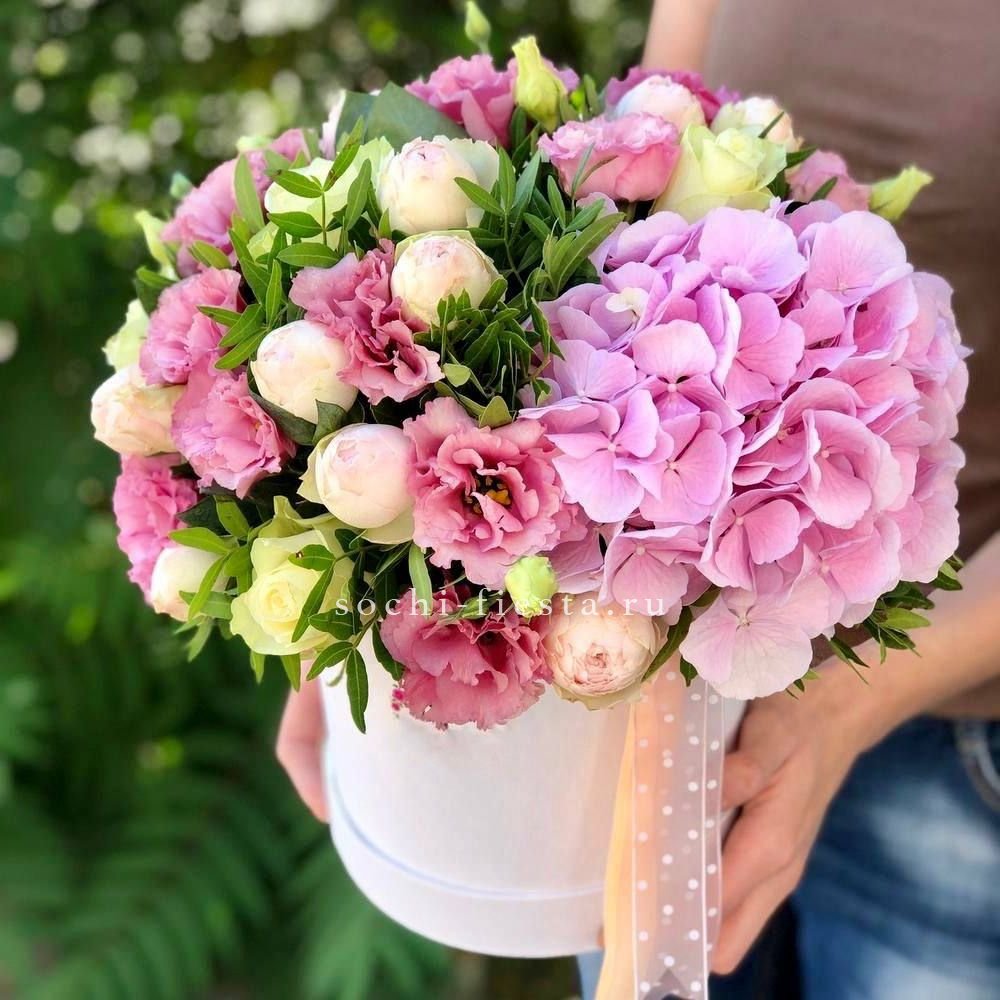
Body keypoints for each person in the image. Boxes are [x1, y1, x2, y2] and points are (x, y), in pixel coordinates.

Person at [280, 4, 1000, 998]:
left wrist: (842, 705)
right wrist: (351, 565)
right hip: (659, 698)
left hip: (945, 750)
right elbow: (644, 163)